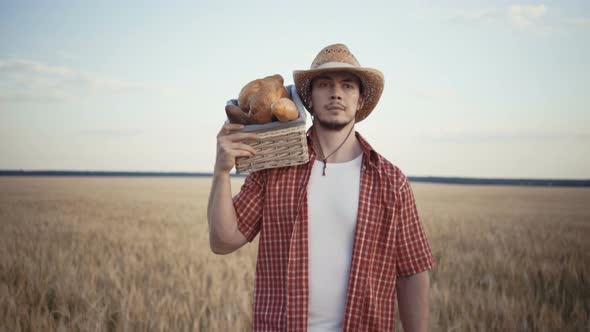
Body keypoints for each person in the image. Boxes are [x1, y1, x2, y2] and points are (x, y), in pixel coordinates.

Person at [208, 43, 436, 332]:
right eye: (325, 84)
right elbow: (223, 241)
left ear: (361, 100)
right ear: (309, 99)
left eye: (348, 85)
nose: (336, 93)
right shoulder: (274, 170)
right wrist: (221, 173)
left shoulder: (391, 182)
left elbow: (412, 271)